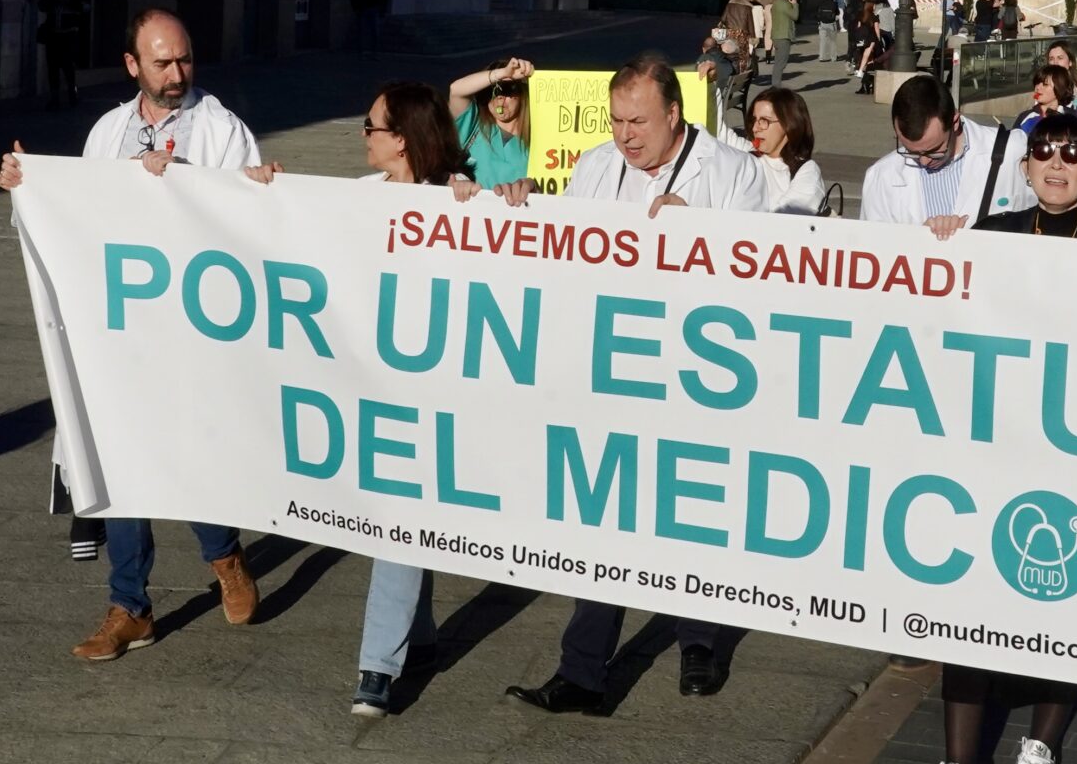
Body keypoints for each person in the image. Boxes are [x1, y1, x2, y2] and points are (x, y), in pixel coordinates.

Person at [0, 8, 270, 657]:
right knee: (118, 455)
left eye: (184, 59)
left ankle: (224, 555)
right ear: (132, 66)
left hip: (193, 327)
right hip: (117, 329)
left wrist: (183, 184)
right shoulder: (107, 132)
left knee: (191, 450)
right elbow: (72, 216)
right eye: (162, 62)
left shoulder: (223, 130)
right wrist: (27, 188)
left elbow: (254, 224)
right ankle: (130, 605)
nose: (177, 73)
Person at [506, 54, 768, 714]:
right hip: (614, 366)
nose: (625, 134)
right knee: (607, 512)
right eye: (617, 119)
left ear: (675, 115)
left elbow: (763, 268)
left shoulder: (731, 170)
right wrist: (522, 206)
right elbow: (562, 251)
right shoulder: (597, 166)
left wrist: (702, 232)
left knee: (694, 505)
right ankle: (583, 669)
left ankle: (700, 640)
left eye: (638, 121)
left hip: (700, 370)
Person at [903, 117, 1077, 764]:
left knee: (1062, 605)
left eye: (1072, 154)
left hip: (1075, 455)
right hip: (994, 450)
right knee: (970, 610)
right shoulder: (991, 231)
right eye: (1044, 154)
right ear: (1027, 168)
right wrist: (940, 242)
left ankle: (1041, 750)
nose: (1057, 164)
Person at [345, 82, 487, 716]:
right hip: (375, 388)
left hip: (437, 394)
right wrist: (264, 184)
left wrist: (492, 203)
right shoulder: (359, 199)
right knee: (407, 514)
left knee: (401, 515)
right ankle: (419, 637)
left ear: (400, 138)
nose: (364, 136)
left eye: (370, 126)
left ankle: (378, 664)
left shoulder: (457, 202)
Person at [860, 73, 1037, 232]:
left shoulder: (1012, 151)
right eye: (911, 151)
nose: (923, 161)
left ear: (954, 122)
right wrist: (916, 241)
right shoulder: (880, 176)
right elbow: (873, 252)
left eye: (934, 151)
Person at [447, 56, 533, 186]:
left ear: (522, 94)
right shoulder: (473, 127)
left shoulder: (537, 135)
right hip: (479, 205)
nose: (499, 97)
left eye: (507, 89)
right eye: (491, 91)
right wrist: (501, 74)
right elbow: (456, 90)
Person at [748, 87, 825, 212]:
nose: (755, 128)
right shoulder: (749, 155)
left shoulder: (806, 170)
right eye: (754, 120)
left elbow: (786, 219)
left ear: (789, 124)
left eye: (764, 121)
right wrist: (708, 83)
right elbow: (718, 134)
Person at [35, 0, 84, 109]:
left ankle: (72, 92)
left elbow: (83, 7)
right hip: (53, 34)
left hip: (69, 35)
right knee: (52, 66)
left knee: (68, 67)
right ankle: (54, 97)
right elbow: (41, 5)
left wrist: (68, 1)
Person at [1018, 62, 1076, 134]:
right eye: (1037, 83)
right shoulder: (1025, 117)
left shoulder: (1072, 117)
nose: (1038, 87)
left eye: (1045, 84)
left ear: (1060, 87)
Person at [849, 0, 886, 94]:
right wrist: (879, 41)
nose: (875, 7)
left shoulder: (862, 15)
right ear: (871, 7)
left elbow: (858, 27)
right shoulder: (874, 17)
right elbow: (877, 29)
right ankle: (864, 75)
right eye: (874, 6)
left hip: (863, 39)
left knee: (865, 57)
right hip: (872, 38)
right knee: (871, 58)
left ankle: (861, 72)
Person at [763, 0, 798, 88]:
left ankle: (775, 84)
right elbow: (795, 16)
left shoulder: (776, 3)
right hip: (783, 36)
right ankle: (776, 86)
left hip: (776, 36)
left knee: (778, 62)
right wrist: (795, 4)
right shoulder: (784, 4)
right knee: (781, 63)